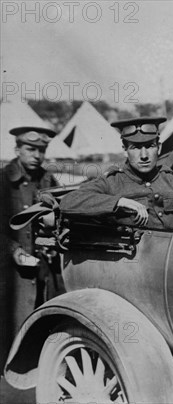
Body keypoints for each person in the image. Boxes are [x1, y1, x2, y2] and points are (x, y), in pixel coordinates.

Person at [60, 117, 173, 234]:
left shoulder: (172, 180)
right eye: (135, 148)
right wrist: (119, 201)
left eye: (150, 146)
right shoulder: (112, 182)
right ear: (124, 149)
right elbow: (69, 201)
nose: (144, 155)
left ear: (159, 148)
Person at [0, 126, 64, 367]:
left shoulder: (49, 180)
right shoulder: (3, 181)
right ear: (17, 149)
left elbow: (58, 218)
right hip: (11, 275)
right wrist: (14, 251)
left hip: (44, 272)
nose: (37, 155)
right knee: (9, 331)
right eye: (31, 149)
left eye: (42, 150)